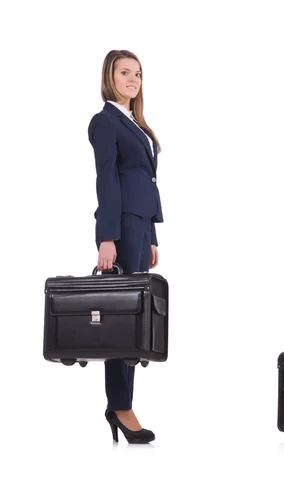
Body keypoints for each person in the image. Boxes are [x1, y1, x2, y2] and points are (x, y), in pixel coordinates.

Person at [88, 49, 164, 444]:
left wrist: (151, 236)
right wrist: (107, 237)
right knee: (122, 318)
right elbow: (108, 182)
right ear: (110, 77)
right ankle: (120, 406)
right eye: (124, 73)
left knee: (136, 320)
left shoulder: (134, 122)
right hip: (121, 230)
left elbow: (144, 182)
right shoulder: (105, 122)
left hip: (139, 229)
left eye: (137, 73)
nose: (133, 79)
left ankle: (122, 403)